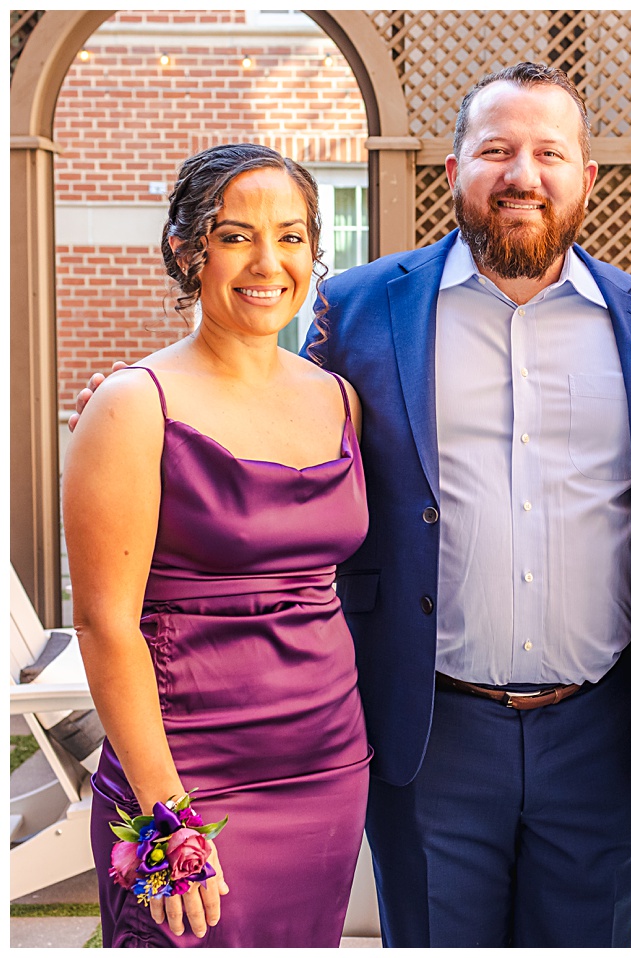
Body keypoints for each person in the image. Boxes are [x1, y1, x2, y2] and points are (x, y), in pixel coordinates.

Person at [73, 63, 631, 947]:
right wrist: (128, 407)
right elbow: (242, 406)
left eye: (550, 151)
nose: (523, 173)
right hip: (431, 730)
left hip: (598, 733)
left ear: (586, 176)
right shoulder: (361, 311)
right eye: (496, 150)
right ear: (454, 171)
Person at [65, 144, 370, 946]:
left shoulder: (339, 398)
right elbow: (105, 626)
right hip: (188, 773)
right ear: (185, 250)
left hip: (331, 765)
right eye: (236, 236)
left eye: (293, 237)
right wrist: (166, 818)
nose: (268, 262)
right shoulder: (135, 405)